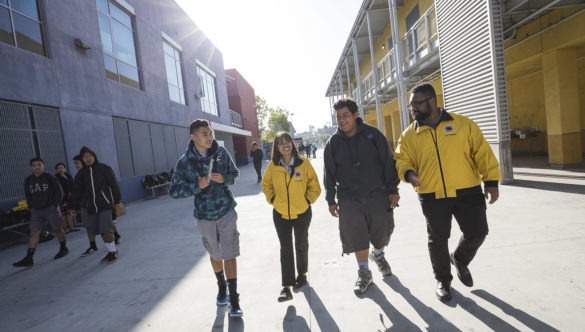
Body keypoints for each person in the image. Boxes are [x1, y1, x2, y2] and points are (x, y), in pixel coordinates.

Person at [394, 83, 502, 302]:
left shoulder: (462, 125)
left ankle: (459, 258)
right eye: (410, 105)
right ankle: (443, 280)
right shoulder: (408, 136)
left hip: (468, 191)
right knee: (437, 239)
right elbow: (401, 160)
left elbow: (482, 152)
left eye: (417, 103)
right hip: (432, 195)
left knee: (478, 232)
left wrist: (491, 181)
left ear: (432, 102)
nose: (412, 108)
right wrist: (408, 174)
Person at [323, 98, 400, 294]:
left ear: (356, 115)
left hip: (377, 194)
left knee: (381, 232)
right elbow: (329, 174)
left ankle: (379, 255)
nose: (341, 120)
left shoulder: (373, 136)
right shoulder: (333, 144)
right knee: (357, 235)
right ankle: (364, 272)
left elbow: (388, 163)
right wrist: (331, 200)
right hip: (349, 198)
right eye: (338, 117)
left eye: (345, 115)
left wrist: (392, 189)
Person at [169, 119, 243, 318]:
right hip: (204, 216)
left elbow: (234, 174)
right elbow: (174, 191)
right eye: (205, 134)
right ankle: (221, 287)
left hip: (226, 210)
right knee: (215, 254)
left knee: (230, 253)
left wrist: (225, 179)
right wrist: (196, 186)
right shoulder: (185, 162)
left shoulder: (221, 153)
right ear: (193, 137)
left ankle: (234, 300)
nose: (210, 137)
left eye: (210, 133)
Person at [261, 132, 321, 302]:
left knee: (301, 243)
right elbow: (266, 185)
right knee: (285, 247)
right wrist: (273, 200)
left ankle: (301, 275)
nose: (285, 145)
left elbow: (315, 185)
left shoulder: (304, 163)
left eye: (287, 141)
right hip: (280, 214)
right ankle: (286, 286)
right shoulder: (273, 166)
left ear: (292, 143)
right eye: (280, 143)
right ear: (277, 147)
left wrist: (307, 200)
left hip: (302, 212)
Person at [13, 158, 68, 267]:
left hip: (50, 208)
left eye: (39, 165)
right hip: (36, 211)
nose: (36, 167)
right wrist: (31, 206)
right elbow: (28, 194)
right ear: (31, 167)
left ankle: (63, 248)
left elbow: (59, 192)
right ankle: (29, 258)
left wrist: (54, 206)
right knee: (34, 233)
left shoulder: (50, 178)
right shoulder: (28, 180)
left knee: (58, 229)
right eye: (34, 165)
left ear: (43, 166)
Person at [71, 146, 122, 264]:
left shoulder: (104, 168)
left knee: (106, 229)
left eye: (90, 156)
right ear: (82, 159)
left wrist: (117, 201)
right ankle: (110, 251)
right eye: (85, 157)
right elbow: (77, 191)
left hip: (105, 204)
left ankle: (113, 252)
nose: (88, 158)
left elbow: (114, 185)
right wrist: (74, 206)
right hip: (91, 207)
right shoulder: (81, 174)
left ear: (94, 156)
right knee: (100, 231)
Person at [54, 162, 79, 233]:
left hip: (70, 197)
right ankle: (66, 229)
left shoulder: (68, 175)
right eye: (58, 168)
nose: (60, 169)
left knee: (69, 213)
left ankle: (72, 227)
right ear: (56, 170)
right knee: (63, 214)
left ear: (64, 168)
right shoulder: (56, 178)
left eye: (62, 168)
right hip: (62, 198)